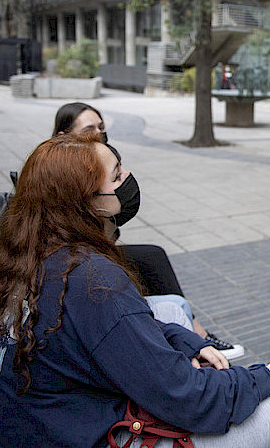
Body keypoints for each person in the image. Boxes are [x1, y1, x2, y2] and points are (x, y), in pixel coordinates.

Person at [0, 132, 270, 446]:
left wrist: (186, 341)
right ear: (85, 202)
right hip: (69, 434)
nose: (128, 179)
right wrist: (267, 379)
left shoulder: (22, 257)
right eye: (117, 175)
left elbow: (116, 330)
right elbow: (185, 398)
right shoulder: (93, 280)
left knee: (176, 316)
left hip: (20, 429)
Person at [52, 102, 244, 359]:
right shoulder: (90, 271)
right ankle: (198, 338)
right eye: (90, 130)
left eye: (102, 127)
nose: (99, 134)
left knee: (162, 276)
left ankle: (198, 336)